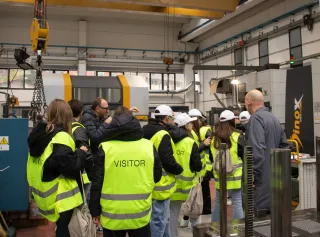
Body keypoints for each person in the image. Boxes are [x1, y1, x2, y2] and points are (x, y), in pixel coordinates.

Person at [89, 106, 162, 237]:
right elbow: (156, 176)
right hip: (140, 212)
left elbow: (97, 183)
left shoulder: (105, 148)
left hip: (112, 214)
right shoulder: (148, 146)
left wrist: (95, 210)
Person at [27, 99, 92, 237]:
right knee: (65, 230)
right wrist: (81, 152)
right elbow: (72, 168)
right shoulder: (61, 137)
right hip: (62, 197)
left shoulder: (41, 135)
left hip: (46, 195)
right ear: (67, 115)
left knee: (61, 228)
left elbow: (53, 162)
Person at [245, 89, 288, 216]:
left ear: (249, 102)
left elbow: (257, 150)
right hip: (275, 179)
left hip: (261, 181)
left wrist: (252, 175)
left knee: (259, 221)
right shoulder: (274, 118)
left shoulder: (256, 119)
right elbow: (284, 146)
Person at [143, 104, 183, 237]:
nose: (173, 121)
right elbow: (167, 160)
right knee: (159, 221)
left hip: (147, 181)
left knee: (163, 220)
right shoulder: (163, 134)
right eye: (171, 118)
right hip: (161, 186)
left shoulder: (144, 131)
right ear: (166, 118)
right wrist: (178, 169)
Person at [168, 113, 202, 237]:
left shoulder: (169, 140)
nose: (192, 125)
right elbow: (197, 165)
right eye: (190, 123)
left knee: (173, 215)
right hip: (190, 186)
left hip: (174, 185)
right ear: (186, 126)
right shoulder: (190, 142)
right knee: (194, 214)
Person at [211, 110, 244, 222]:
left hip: (220, 175)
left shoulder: (214, 137)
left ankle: (214, 227)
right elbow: (243, 155)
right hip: (235, 175)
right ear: (232, 121)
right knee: (237, 201)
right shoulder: (238, 136)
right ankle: (237, 228)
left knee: (218, 202)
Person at [188, 109, 212, 217]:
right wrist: (203, 145)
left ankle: (200, 210)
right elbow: (193, 151)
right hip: (198, 166)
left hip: (200, 166)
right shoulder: (192, 133)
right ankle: (196, 211)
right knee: (199, 190)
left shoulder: (194, 132)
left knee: (202, 189)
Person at [68, 99, 93, 197]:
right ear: (81, 113)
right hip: (82, 176)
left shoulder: (67, 126)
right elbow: (86, 153)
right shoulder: (78, 129)